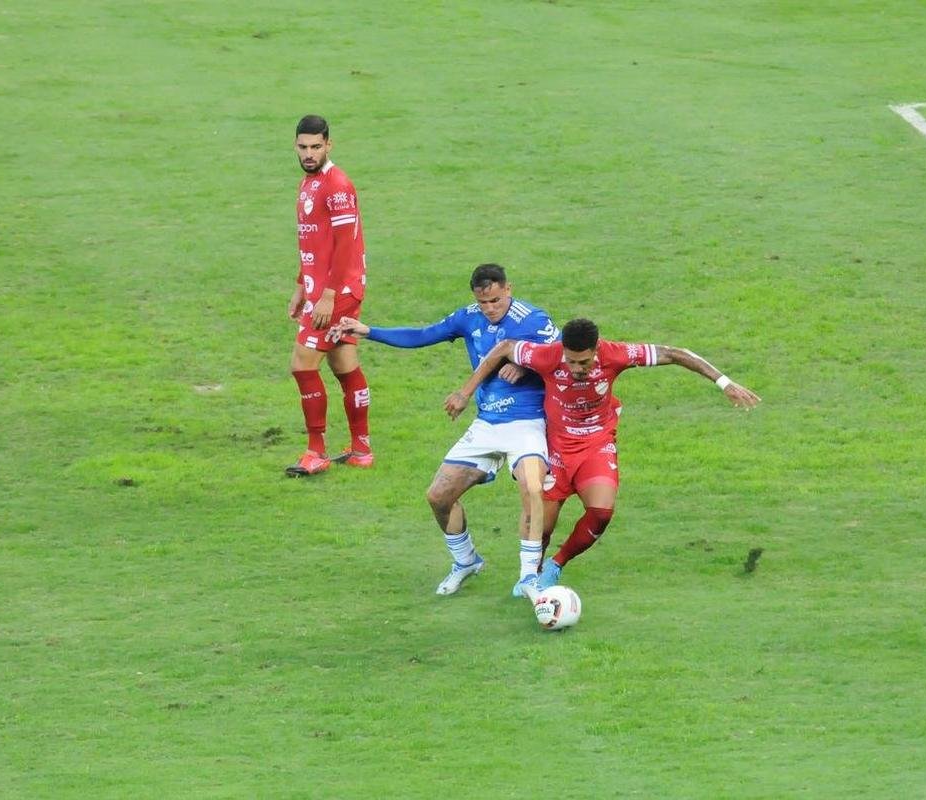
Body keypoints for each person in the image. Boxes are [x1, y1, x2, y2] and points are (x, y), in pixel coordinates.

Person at [445, 317, 759, 590]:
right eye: (571, 361)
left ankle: (556, 565)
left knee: (601, 511)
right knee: (540, 525)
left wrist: (724, 383)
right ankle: (530, 576)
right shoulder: (547, 356)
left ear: (597, 350)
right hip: (555, 448)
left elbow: (674, 353)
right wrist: (468, 390)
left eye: (584, 362)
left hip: (596, 445)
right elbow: (504, 347)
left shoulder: (616, 354)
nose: (577, 369)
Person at [332, 264, 559, 597]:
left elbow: (564, 354)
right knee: (438, 496)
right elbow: (424, 335)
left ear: (508, 289)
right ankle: (466, 561)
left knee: (532, 488)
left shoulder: (533, 320)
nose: (490, 309)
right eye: (484, 303)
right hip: (487, 424)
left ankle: (528, 578)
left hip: (528, 422)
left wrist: (524, 365)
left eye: (496, 300)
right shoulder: (469, 317)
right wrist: (367, 331)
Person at [284, 115, 372, 477]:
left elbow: (344, 246)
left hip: (337, 293)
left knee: (302, 364)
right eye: (303, 147)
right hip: (321, 291)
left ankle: (315, 450)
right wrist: (301, 287)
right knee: (344, 364)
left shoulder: (336, 185)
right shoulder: (309, 183)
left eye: (315, 147)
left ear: (328, 145)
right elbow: (313, 243)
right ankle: (362, 449)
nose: (308, 153)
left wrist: (327, 296)